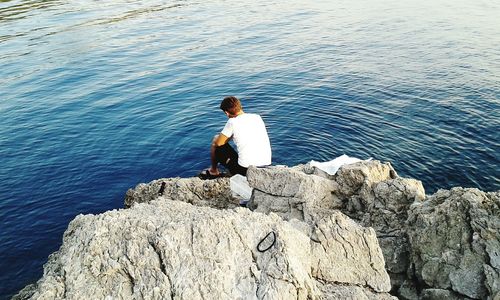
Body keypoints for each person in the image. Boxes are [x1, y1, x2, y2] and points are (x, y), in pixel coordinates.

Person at [203, 96, 271, 177]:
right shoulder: (257, 117)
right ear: (240, 106)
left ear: (227, 113)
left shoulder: (232, 122)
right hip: (266, 166)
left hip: (245, 170)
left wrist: (231, 136)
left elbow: (218, 143)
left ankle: (213, 171)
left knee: (216, 141)